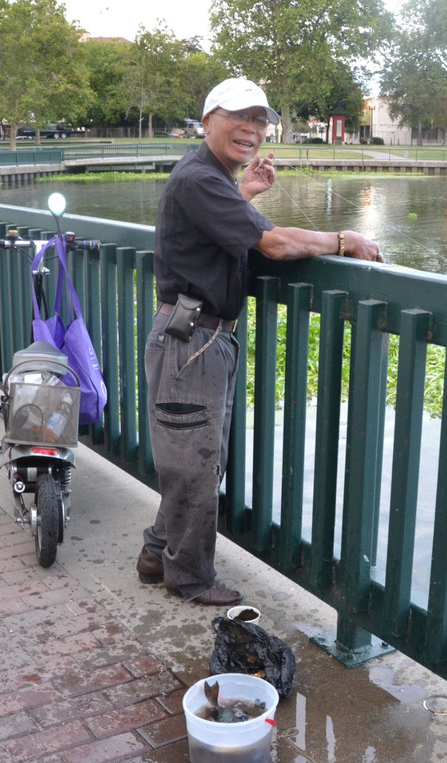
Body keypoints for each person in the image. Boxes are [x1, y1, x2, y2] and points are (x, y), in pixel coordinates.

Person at [137, 77, 382, 606]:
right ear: (207, 122)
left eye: (259, 120)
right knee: (197, 465)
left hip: (196, 338)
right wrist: (345, 239)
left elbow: (217, 230)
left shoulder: (209, 179)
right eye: (238, 117)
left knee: (193, 460)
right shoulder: (200, 179)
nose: (251, 129)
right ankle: (190, 576)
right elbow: (273, 243)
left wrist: (244, 190)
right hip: (191, 341)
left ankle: (158, 552)